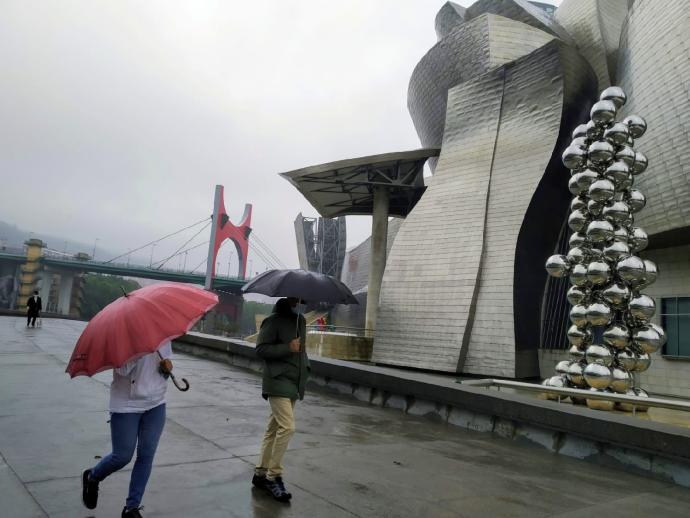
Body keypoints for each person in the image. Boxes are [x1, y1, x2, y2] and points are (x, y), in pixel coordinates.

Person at [81, 342, 173, 518]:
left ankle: (131, 508)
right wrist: (140, 350)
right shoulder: (124, 337)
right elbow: (122, 370)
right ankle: (93, 476)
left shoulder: (161, 337)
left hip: (156, 404)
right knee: (122, 456)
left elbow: (163, 366)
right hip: (126, 405)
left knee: (146, 455)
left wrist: (167, 368)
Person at [252, 297, 309, 502]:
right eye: (296, 297)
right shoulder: (272, 321)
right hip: (277, 381)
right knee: (288, 427)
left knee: (274, 429)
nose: (300, 300)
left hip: (294, 381)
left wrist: (304, 371)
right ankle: (273, 476)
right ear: (287, 296)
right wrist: (288, 347)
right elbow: (260, 349)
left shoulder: (300, 321)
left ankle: (260, 472)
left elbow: (301, 352)